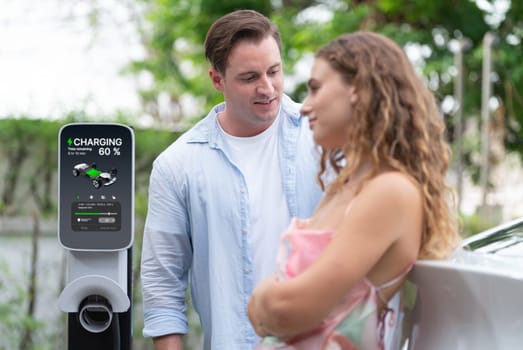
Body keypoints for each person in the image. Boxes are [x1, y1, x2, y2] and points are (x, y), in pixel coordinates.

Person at [248, 31, 460, 349]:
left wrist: (264, 298)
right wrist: (272, 309)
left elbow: (288, 308)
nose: (304, 107)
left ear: (358, 90)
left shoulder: (390, 191)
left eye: (316, 89)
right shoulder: (344, 186)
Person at [140, 9, 323, 350]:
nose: (267, 88)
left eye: (274, 71)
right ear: (217, 80)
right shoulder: (178, 165)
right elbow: (162, 287)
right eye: (249, 77)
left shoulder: (323, 136)